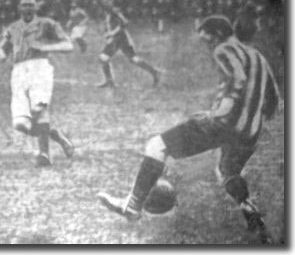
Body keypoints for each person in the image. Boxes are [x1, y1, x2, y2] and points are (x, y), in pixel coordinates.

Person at [97, 15, 280, 241]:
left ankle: (132, 206)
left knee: (157, 145)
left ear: (218, 35)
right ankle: (254, 219)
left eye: (208, 40)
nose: (208, 46)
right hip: (250, 132)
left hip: (223, 123)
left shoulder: (224, 49)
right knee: (228, 173)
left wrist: (218, 114)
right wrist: (251, 119)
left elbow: (237, 80)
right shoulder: (258, 57)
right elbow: (272, 101)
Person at [0, 0, 75, 167]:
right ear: (19, 7)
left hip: (40, 68)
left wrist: (45, 47)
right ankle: (56, 135)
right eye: (24, 5)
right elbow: (4, 50)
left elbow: (68, 45)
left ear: (36, 7)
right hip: (18, 72)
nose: (27, 8)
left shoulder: (47, 23)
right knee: (20, 123)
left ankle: (44, 154)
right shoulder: (12, 28)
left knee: (38, 109)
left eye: (31, 5)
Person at [96, 1, 160, 88]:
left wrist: (112, 33)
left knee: (103, 58)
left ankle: (109, 81)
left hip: (119, 38)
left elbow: (124, 23)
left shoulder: (114, 13)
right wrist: (108, 33)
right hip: (119, 38)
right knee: (133, 59)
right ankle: (154, 72)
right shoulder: (108, 14)